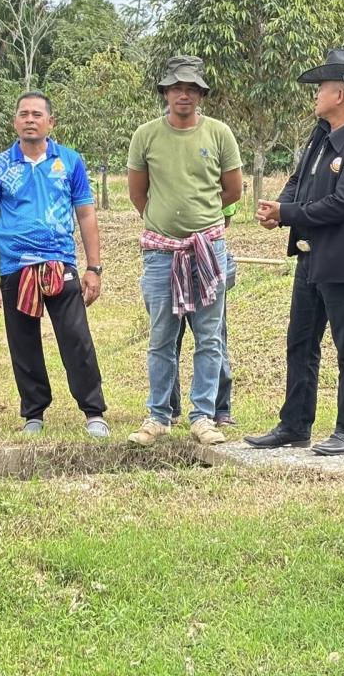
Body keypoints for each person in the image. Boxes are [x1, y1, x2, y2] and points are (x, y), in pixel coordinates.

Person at [247, 49, 344, 456]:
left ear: (340, 94)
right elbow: (297, 180)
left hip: (342, 262)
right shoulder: (320, 136)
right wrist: (280, 209)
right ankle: (294, 425)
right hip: (310, 257)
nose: (316, 96)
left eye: (322, 89)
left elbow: (342, 205)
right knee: (300, 343)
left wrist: (288, 213)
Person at [0, 91, 109, 438]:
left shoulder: (70, 161)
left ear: (51, 122)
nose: (30, 120)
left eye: (37, 114)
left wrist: (93, 268)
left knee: (76, 337)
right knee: (23, 342)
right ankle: (33, 414)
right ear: (15, 121)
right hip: (15, 267)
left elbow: (85, 214)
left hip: (59, 262)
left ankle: (94, 412)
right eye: (23, 114)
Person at [126, 55, 242, 447]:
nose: (184, 95)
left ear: (201, 95)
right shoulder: (145, 136)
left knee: (209, 337)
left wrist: (202, 227)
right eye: (176, 88)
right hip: (161, 254)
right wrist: (167, 226)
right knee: (161, 336)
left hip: (209, 250)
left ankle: (203, 416)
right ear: (165, 92)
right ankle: (159, 416)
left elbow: (233, 190)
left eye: (191, 89)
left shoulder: (220, 134)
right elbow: (138, 194)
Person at [168, 203, 238, 427]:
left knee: (212, 336)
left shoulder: (215, 172)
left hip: (208, 257)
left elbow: (225, 215)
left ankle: (219, 409)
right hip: (169, 256)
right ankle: (170, 408)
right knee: (167, 339)